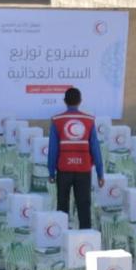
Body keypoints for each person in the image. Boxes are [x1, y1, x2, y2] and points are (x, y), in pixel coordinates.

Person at [48, 87, 104, 230]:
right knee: (84, 205)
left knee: (62, 205)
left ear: (64, 101)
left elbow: (53, 149)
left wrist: (51, 172)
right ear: (80, 101)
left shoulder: (56, 120)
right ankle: (86, 238)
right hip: (83, 170)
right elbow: (95, 148)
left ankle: (61, 236)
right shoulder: (89, 120)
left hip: (63, 170)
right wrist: (100, 173)